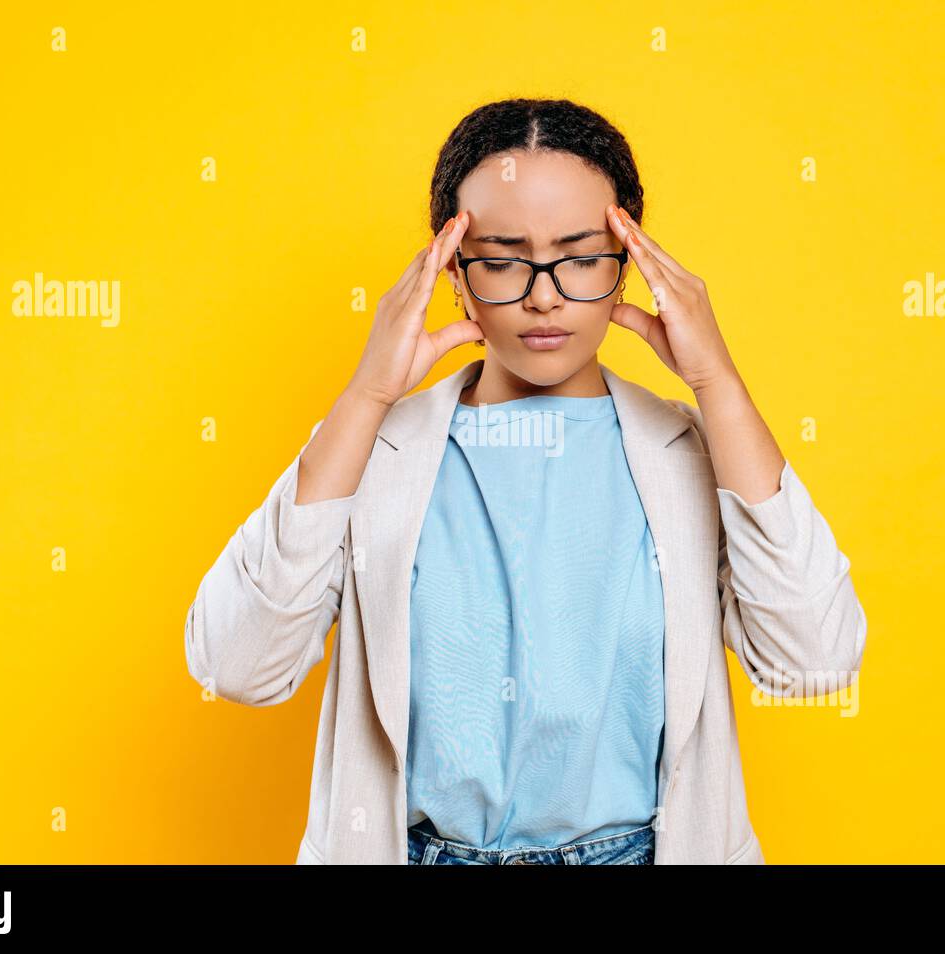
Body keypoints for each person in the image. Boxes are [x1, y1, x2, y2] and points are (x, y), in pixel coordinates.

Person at [184, 98, 868, 865]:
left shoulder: (696, 454)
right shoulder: (373, 450)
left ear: (629, 265)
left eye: (580, 257)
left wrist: (719, 382)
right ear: (452, 273)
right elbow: (238, 665)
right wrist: (364, 399)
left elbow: (815, 663)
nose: (544, 295)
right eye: (504, 259)